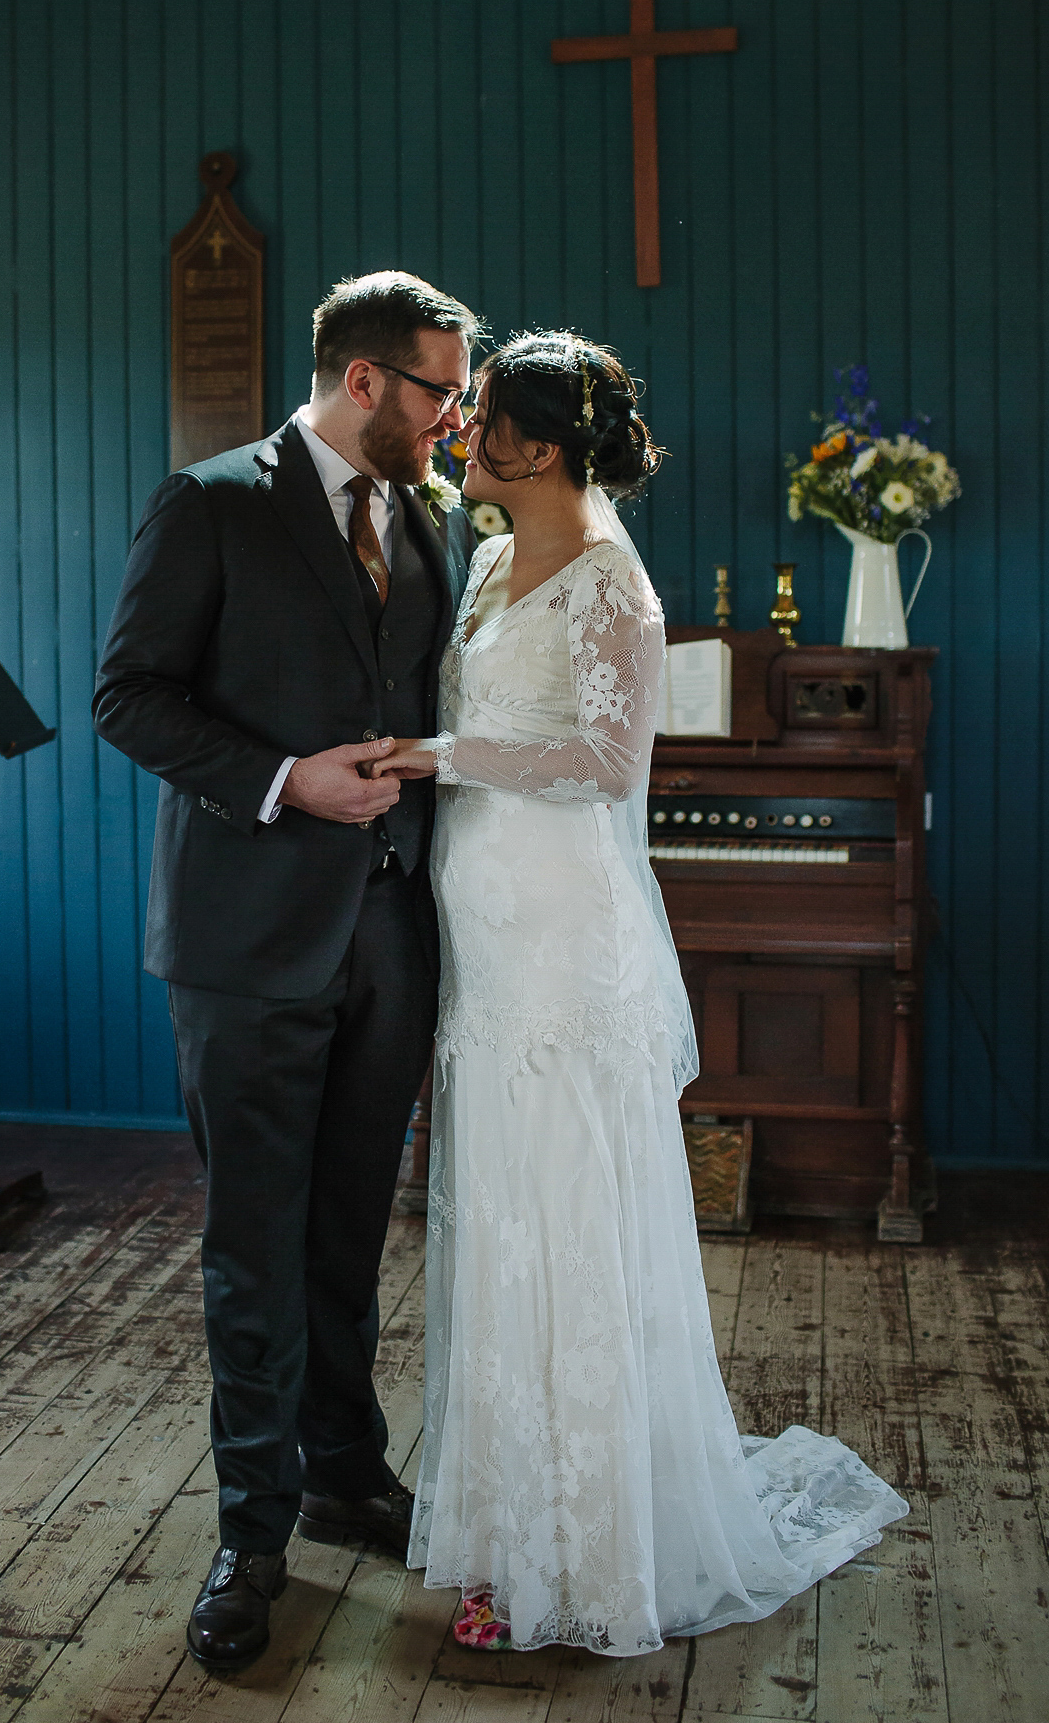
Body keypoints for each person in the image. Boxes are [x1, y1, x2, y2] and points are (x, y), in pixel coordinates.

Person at [372, 333, 908, 1657]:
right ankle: (513, 1531)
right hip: (483, 938)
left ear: (539, 448)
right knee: (504, 1225)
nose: (463, 432)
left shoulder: (614, 584)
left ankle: (593, 1563)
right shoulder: (491, 559)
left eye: (483, 417)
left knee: (571, 1233)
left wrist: (438, 753)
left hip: (564, 936)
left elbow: (607, 765)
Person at [92, 272, 479, 1673]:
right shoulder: (213, 503)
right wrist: (280, 781)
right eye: (441, 391)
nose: (457, 418)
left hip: (390, 938)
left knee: (348, 1233)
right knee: (252, 1250)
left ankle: (343, 1470)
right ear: (365, 381)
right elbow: (127, 696)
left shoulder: (424, 520)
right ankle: (252, 1534)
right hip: (246, 948)